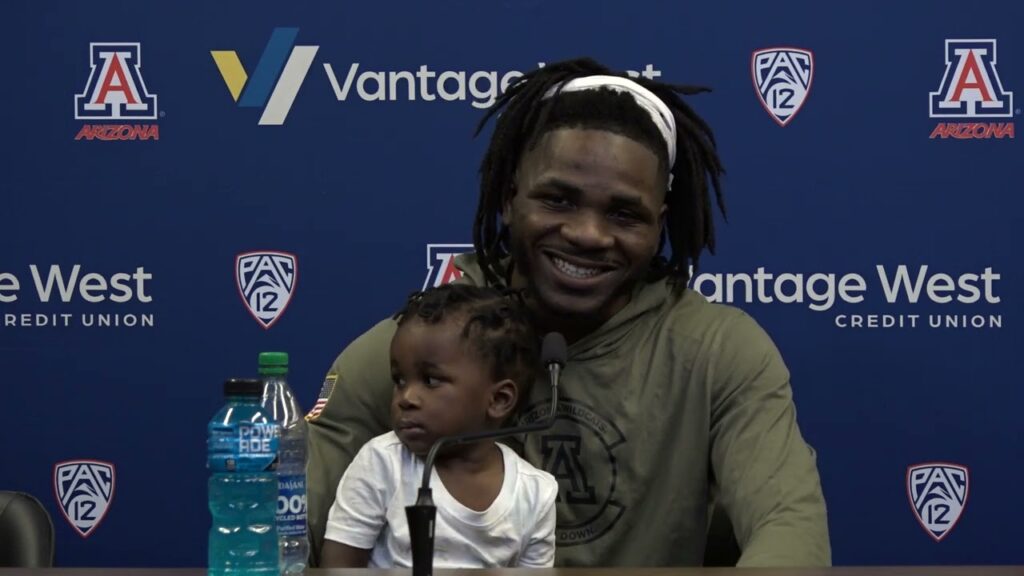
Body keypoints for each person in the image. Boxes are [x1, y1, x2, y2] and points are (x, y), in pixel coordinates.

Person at [306, 57, 831, 567]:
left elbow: (789, 527)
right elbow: (290, 517)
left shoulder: (719, 352)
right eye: (558, 200)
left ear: (660, 226)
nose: (588, 234)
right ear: (510, 199)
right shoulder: (424, 343)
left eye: (624, 213)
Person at [320, 284, 558, 568]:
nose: (406, 398)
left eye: (431, 381)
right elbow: (338, 568)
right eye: (399, 380)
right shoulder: (382, 463)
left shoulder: (535, 494)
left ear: (498, 399)